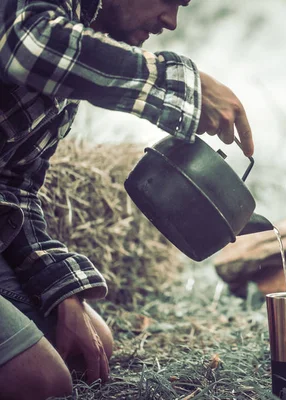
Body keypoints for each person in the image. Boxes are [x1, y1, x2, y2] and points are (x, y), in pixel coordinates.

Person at [0, 0, 254, 398]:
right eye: (170, 1)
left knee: (89, 348)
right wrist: (182, 87)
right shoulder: (44, 26)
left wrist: (58, 287)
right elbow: (31, 43)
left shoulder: (71, 67)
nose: (171, 21)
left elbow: (14, 186)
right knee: (41, 381)